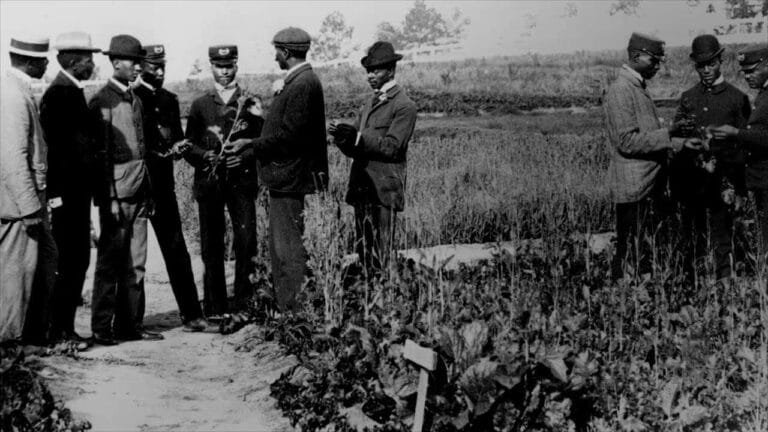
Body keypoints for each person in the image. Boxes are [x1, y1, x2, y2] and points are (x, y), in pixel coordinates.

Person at [228, 27, 328, 314]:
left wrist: (251, 143)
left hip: (289, 177)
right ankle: (289, 308)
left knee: (288, 249)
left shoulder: (301, 84)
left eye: (276, 51)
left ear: (285, 52)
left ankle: (294, 311)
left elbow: (289, 137)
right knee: (282, 246)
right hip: (288, 177)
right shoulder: (302, 81)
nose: (275, 57)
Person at [604, 32, 700, 281]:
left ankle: (636, 298)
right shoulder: (621, 90)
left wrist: (681, 142)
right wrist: (670, 132)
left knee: (640, 250)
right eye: (653, 60)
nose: (657, 66)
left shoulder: (635, 88)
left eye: (659, 61)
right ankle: (625, 300)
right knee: (630, 252)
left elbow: (648, 136)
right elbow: (627, 142)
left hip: (645, 186)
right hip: (634, 188)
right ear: (636, 56)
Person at [89, 34, 161, 345]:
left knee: (137, 262)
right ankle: (102, 327)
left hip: (140, 190)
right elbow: (100, 156)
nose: (137, 68)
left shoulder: (137, 100)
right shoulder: (101, 102)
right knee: (110, 263)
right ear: (116, 62)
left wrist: (149, 189)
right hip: (117, 196)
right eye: (133, 62)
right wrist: (110, 199)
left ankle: (131, 324)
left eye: (139, 63)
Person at [134, 44, 210, 332]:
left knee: (177, 249)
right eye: (154, 65)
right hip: (139, 188)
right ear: (141, 66)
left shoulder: (169, 100)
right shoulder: (131, 98)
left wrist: (179, 148)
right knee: (132, 257)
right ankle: (130, 321)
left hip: (163, 188)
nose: (160, 71)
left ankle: (191, 314)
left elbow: (176, 137)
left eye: (163, 64)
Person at [183, 44, 262, 319]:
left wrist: (245, 156)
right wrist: (205, 156)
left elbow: (262, 143)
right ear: (211, 67)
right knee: (211, 243)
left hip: (242, 183)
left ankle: (244, 304)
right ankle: (215, 306)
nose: (224, 72)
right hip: (210, 183)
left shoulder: (251, 102)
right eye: (219, 66)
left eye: (229, 66)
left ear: (237, 66)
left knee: (246, 240)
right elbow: (187, 145)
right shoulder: (200, 104)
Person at [329, 41, 417, 279]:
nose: (370, 76)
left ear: (391, 70)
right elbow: (357, 146)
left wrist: (357, 137)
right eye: (368, 71)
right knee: (364, 249)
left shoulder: (404, 106)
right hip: (362, 186)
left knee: (383, 251)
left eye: (375, 70)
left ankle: (385, 300)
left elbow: (392, 148)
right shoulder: (369, 103)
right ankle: (369, 298)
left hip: (384, 189)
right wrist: (342, 138)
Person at [670, 35, 751, 284]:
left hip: (723, 182)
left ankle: (724, 286)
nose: (706, 70)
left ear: (721, 61)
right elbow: (677, 137)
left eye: (711, 64)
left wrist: (739, 190)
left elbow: (744, 148)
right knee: (692, 236)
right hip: (692, 182)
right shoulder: (688, 97)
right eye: (701, 65)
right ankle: (693, 285)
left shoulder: (737, 99)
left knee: (721, 234)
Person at [40, 31, 101, 344]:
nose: (92, 64)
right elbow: (60, 153)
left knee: (75, 259)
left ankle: (63, 327)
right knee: (70, 260)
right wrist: (57, 197)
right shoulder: (61, 94)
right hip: (67, 196)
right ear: (72, 60)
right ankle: (60, 329)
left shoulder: (69, 91)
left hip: (73, 194)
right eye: (87, 58)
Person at [0, 36, 58, 345]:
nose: (48, 64)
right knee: (17, 274)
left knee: (44, 262)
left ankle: (32, 337)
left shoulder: (17, 91)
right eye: (43, 60)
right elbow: (12, 157)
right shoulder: (12, 96)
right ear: (29, 62)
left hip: (29, 202)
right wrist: (28, 208)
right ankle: (11, 343)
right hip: (19, 207)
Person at [710, 44, 768, 264]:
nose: (747, 77)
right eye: (744, 72)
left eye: (752, 70)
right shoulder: (763, 94)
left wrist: (736, 133)